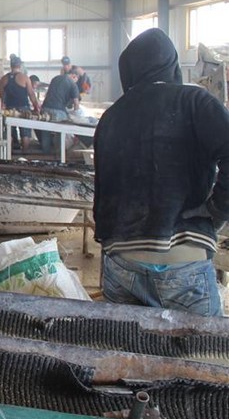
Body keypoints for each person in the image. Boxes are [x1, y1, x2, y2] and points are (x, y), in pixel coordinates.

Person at [94, 28, 229, 317]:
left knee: (128, 346)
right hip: (182, 259)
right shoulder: (195, 102)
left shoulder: (111, 116)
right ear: (172, 64)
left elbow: (104, 194)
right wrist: (217, 209)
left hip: (121, 264)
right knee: (200, 346)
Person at [0, 54, 40, 152]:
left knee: (10, 132)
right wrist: (36, 107)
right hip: (23, 108)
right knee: (25, 133)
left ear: (10, 65)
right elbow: (31, 94)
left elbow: (2, 96)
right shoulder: (25, 78)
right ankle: (24, 154)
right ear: (20, 65)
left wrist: (3, 108)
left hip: (9, 109)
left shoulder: (3, 79)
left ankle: (10, 154)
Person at [38, 67, 80, 155]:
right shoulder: (73, 84)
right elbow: (76, 103)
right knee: (60, 133)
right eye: (77, 79)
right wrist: (77, 117)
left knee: (45, 132)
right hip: (59, 111)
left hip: (45, 108)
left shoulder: (55, 78)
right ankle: (59, 155)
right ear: (74, 76)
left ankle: (46, 154)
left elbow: (48, 94)